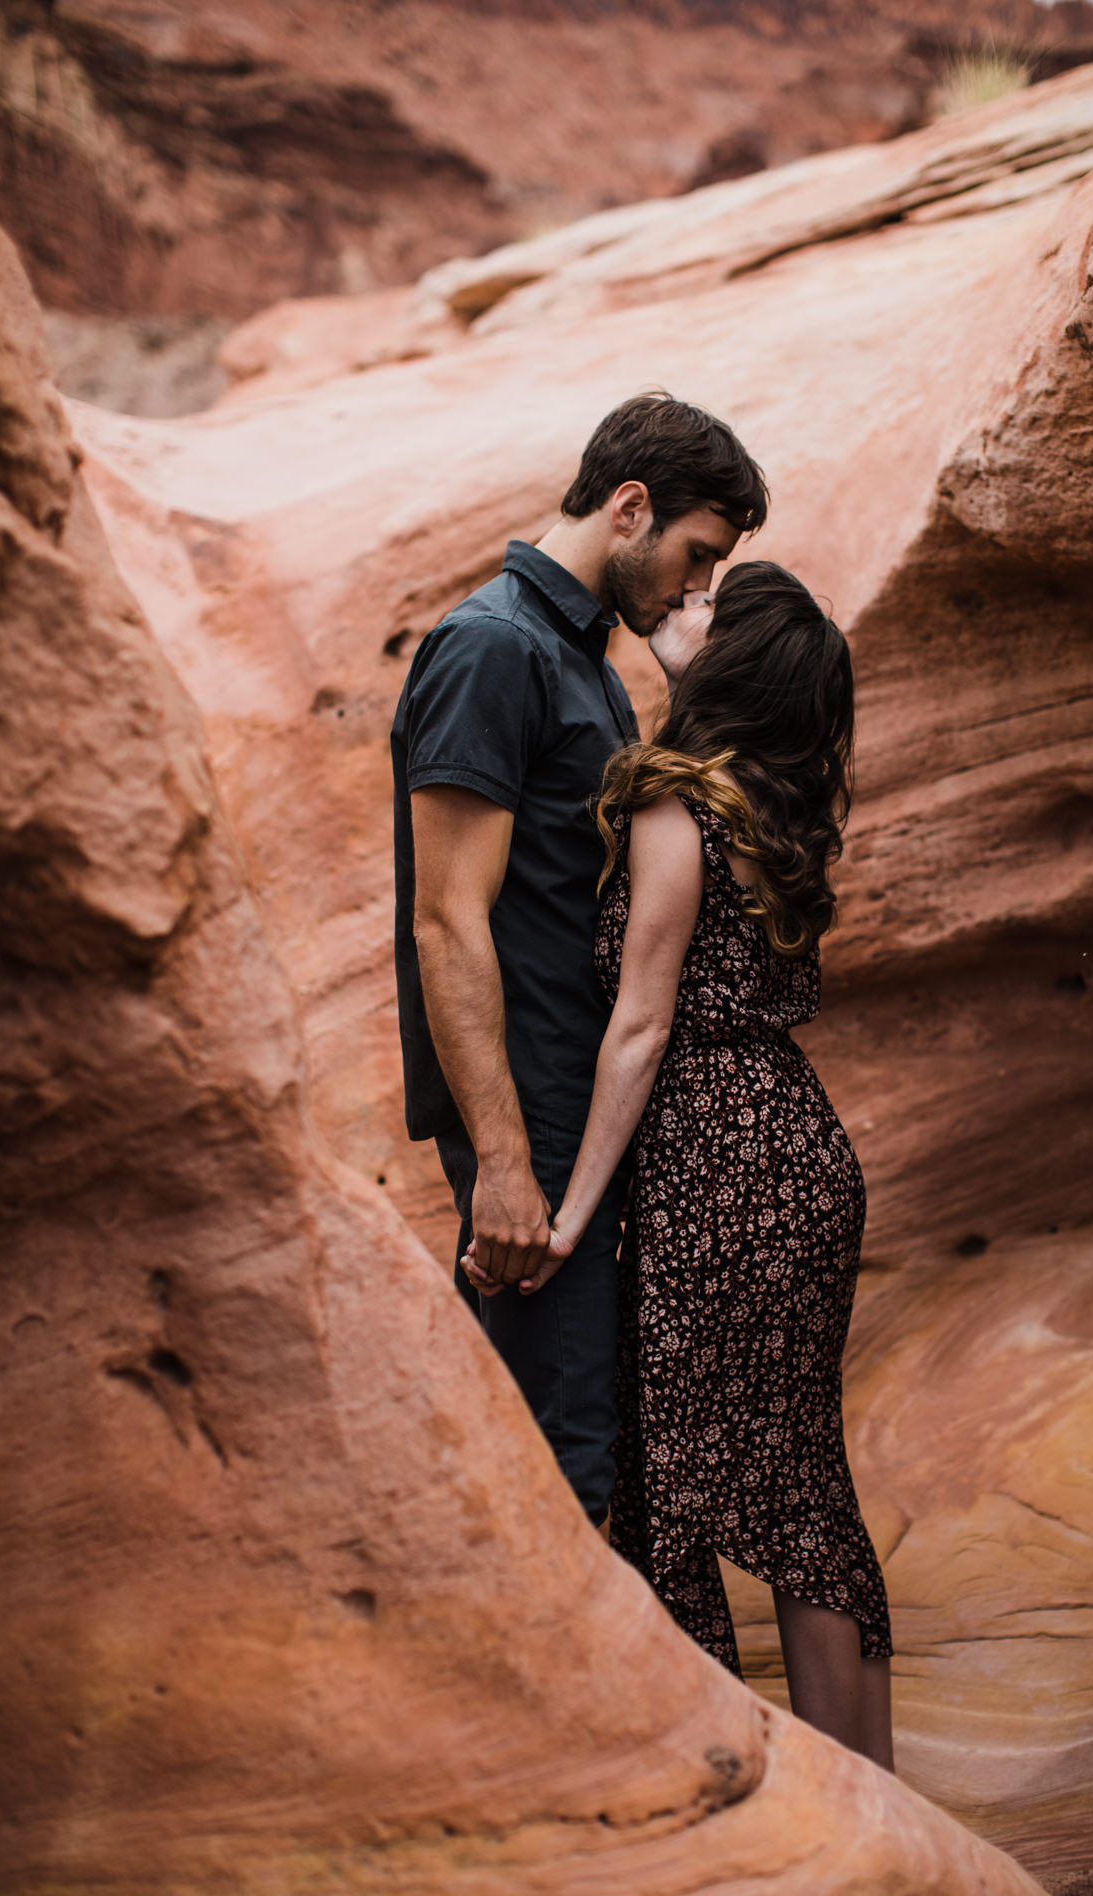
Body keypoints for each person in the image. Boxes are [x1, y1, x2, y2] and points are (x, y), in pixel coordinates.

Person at [464, 561, 894, 1767]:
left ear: (734, 663)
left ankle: (792, 1813)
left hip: (713, 1159)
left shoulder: (675, 807)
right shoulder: (772, 802)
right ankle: (882, 1804)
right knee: (800, 1482)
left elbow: (641, 1026)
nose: (682, 606)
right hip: (798, 1149)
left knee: (689, 1479)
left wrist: (571, 1211)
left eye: (713, 608)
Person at [391, 392, 769, 1529]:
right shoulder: (490, 649)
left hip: (575, 1111)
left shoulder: (583, 659)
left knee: (583, 1443)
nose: (695, 589)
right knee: (557, 1466)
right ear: (630, 506)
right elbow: (447, 918)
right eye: (695, 557)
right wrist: (505, 1160)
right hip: (536, 1118)